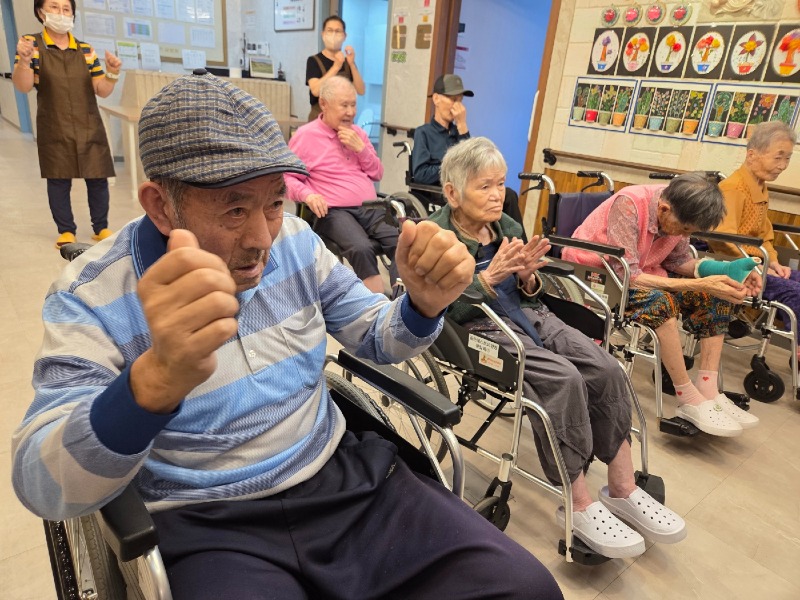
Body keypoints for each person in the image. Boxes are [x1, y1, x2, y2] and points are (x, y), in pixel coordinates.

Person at [12, 72, 562, 600]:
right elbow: (42, 483)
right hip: (208, 519)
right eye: (235, 209)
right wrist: (151, 385)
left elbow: (376, 339)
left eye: (274, 202)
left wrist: (421, 305)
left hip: (337, 476)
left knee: (526, 588)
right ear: (160, 205)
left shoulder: (297, 242)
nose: (261, 239)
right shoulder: (91, 295)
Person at [429, 137, 687, 559]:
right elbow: (434, 306)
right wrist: (487, 279)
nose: (497, 195)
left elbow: (530, 294)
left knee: (606, 368)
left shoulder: (508, 227)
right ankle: (578, 502)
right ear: (453, 193)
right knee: (564, 380)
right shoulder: (437, 236)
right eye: (484, 186)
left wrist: (529, 278)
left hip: (529, 315)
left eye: (500, 184)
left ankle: (623, 487)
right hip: (475, 327)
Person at [562, 173, 762, 437]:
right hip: (597, 276)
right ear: (664, 209)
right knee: (661, 304)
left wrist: (727, 270)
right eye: (685, 229)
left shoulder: (679, 209)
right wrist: (700, 284)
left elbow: (678, 262)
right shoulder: (629, 204)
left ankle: (708, 388)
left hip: (643, 274)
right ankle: (687, 397)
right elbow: (627, 276)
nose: (685, 235)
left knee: (715, 296)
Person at [12, 0, 120, 248]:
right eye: (53, 7)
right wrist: (24, 62)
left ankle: (101, 227)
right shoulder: (31, 44)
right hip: (54, 124)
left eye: (66, 9)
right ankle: (66, 230)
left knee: (97, 176)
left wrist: (112, 72)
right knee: (58, 178)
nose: (60, 13)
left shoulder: (85, 49)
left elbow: (102, 90)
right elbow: (23, 86)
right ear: (40, 12)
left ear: (72, 14)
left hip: (88, 123)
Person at [286, 77, 397, 294]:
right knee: (362, 248)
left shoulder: (358, 134)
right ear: (324, 104)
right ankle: (377, 304)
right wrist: (308, 195)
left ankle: (402, 298)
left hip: (369, 207)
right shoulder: (305, 136)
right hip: (334, 211)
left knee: (402, 241)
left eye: (353, 105)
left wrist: (360, 149)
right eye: (344, 105)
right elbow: (286, 178)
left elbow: (377, 173)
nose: (351, 112)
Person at [707, 122, 799, 343]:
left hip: (759, 262)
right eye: (778, 157)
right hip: (737, 266)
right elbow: (722, 240)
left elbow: (764, 235)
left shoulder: (760, 187)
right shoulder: (733, 188)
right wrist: (758, 267)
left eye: (787, 158)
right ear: (752, 155)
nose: (783, 165)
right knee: (795, 293)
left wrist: (774, 263)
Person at [412, 74, 525, 230]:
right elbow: (420, 174)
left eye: (460, 100)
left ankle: (515, 240)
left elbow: (473, 164)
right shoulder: (423, 133)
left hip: (466, 188)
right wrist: (451, 168)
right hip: (440, 193)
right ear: (436, 99)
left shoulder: (459, 131)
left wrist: (462, 126)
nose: (457, 106)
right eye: (453, 99)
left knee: (508, 195)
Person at [305, 15, 365, 122]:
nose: (333, 34)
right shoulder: (313, 60)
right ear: (323, 34)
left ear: (344, 36)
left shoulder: (348, 62)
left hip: (344, 121)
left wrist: (352, 64)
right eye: (330, 30)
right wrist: (336, 67)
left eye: (338, 31)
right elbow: (315, 91)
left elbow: (361, 90)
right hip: (320, 121)